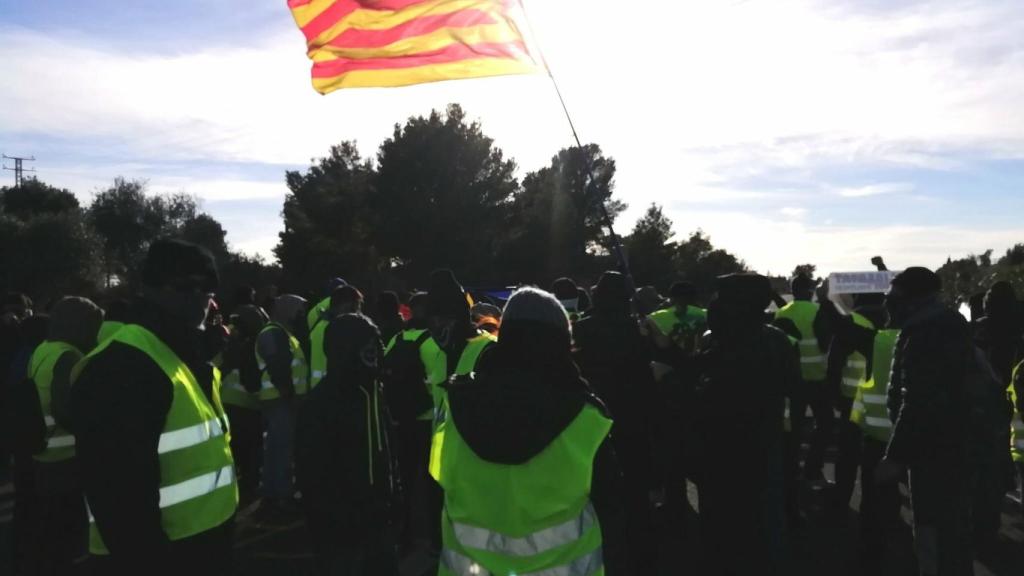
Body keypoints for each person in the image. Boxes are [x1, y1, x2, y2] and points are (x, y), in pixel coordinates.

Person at [430, 287, 627, 575]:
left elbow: (437, 484)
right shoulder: (586, 416)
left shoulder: (455, 400)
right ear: (562, 341)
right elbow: (611, 511)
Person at [72, 239, 237, 576]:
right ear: (162, 290)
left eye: (208, 290)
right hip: (164, 557)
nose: (206, 300)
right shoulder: (125, 364)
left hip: (203, 545)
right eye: (197, 288)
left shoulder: (180, 353)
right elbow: (117, 496)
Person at [876, 267, 974, 576]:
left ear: (910, 299)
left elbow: (917, 399)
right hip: (951, 444)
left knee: (934, 534)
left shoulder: (925, 331)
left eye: (892, 297)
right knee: (951, 533)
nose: (887, 304)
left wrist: (896, 456)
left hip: (933, 452)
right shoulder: (944, 322)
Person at [694, 274, 794, 575]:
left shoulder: (728, 344)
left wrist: (672, 375)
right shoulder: (775, 340)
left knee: (736, 526)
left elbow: (709, 390)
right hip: (762, 442)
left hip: (732, 447)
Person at [296, 313, 399, 575]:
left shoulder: (376, 393)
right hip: (341, 532)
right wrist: (337, 520)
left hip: (379, 520)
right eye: (364, 343)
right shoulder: (319, 405)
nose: (373, 350)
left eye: (375, 342)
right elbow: (312, 476)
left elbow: (387, 450)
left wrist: (394, 497)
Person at [573, 270, 658, 575]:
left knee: (597, 495)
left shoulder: (583, 329)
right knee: (635, 495)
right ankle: (641, 557)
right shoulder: (638, 331)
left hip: (593, 421)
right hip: (632, 419)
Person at [25, 297, 103, 575]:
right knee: (69, 530)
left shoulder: (43, 350)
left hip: (43, 452)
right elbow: (64, 409)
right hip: (67, 457)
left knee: (51, 526)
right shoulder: (69, 355)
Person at [381, 293, 440, 555]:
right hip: (428, 421)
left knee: (404, 479)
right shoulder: (434, 343)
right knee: (431, 483)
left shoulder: (396, 339)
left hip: (401, 419)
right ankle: (434, 539)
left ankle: (403, 535)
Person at [255, 294, 309, 514]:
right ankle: (278, 497)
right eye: (299, 310)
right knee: (280, 450)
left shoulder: (282, 333)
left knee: (279, 449)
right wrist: (291, 396)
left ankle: (275, 494)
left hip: (281, 399)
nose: (301, 315)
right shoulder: (273, 333)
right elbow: (278, 368)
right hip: (280, 400)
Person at [775, 273, 830, 480]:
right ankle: (813, 469)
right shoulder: (817, 310)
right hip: (817, 377)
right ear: (810, 291)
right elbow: (825, 344)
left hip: (792, 378)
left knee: (793, 427)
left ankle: (791, 468)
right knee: (824, 424)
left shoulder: (781, 312)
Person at [218, 304, 268, 505]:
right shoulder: (253, 346)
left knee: (233, 453)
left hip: (225, 404)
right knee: (251, 455)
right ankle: (248, 492)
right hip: (247, 407)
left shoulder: (227, 344)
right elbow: (253, 382)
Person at [309, 286, 363, 390]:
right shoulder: (335, 329)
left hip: (319, 389)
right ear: (346, 305)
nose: (358, 311)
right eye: (357, 305)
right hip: (331, 391)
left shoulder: (321, 326)